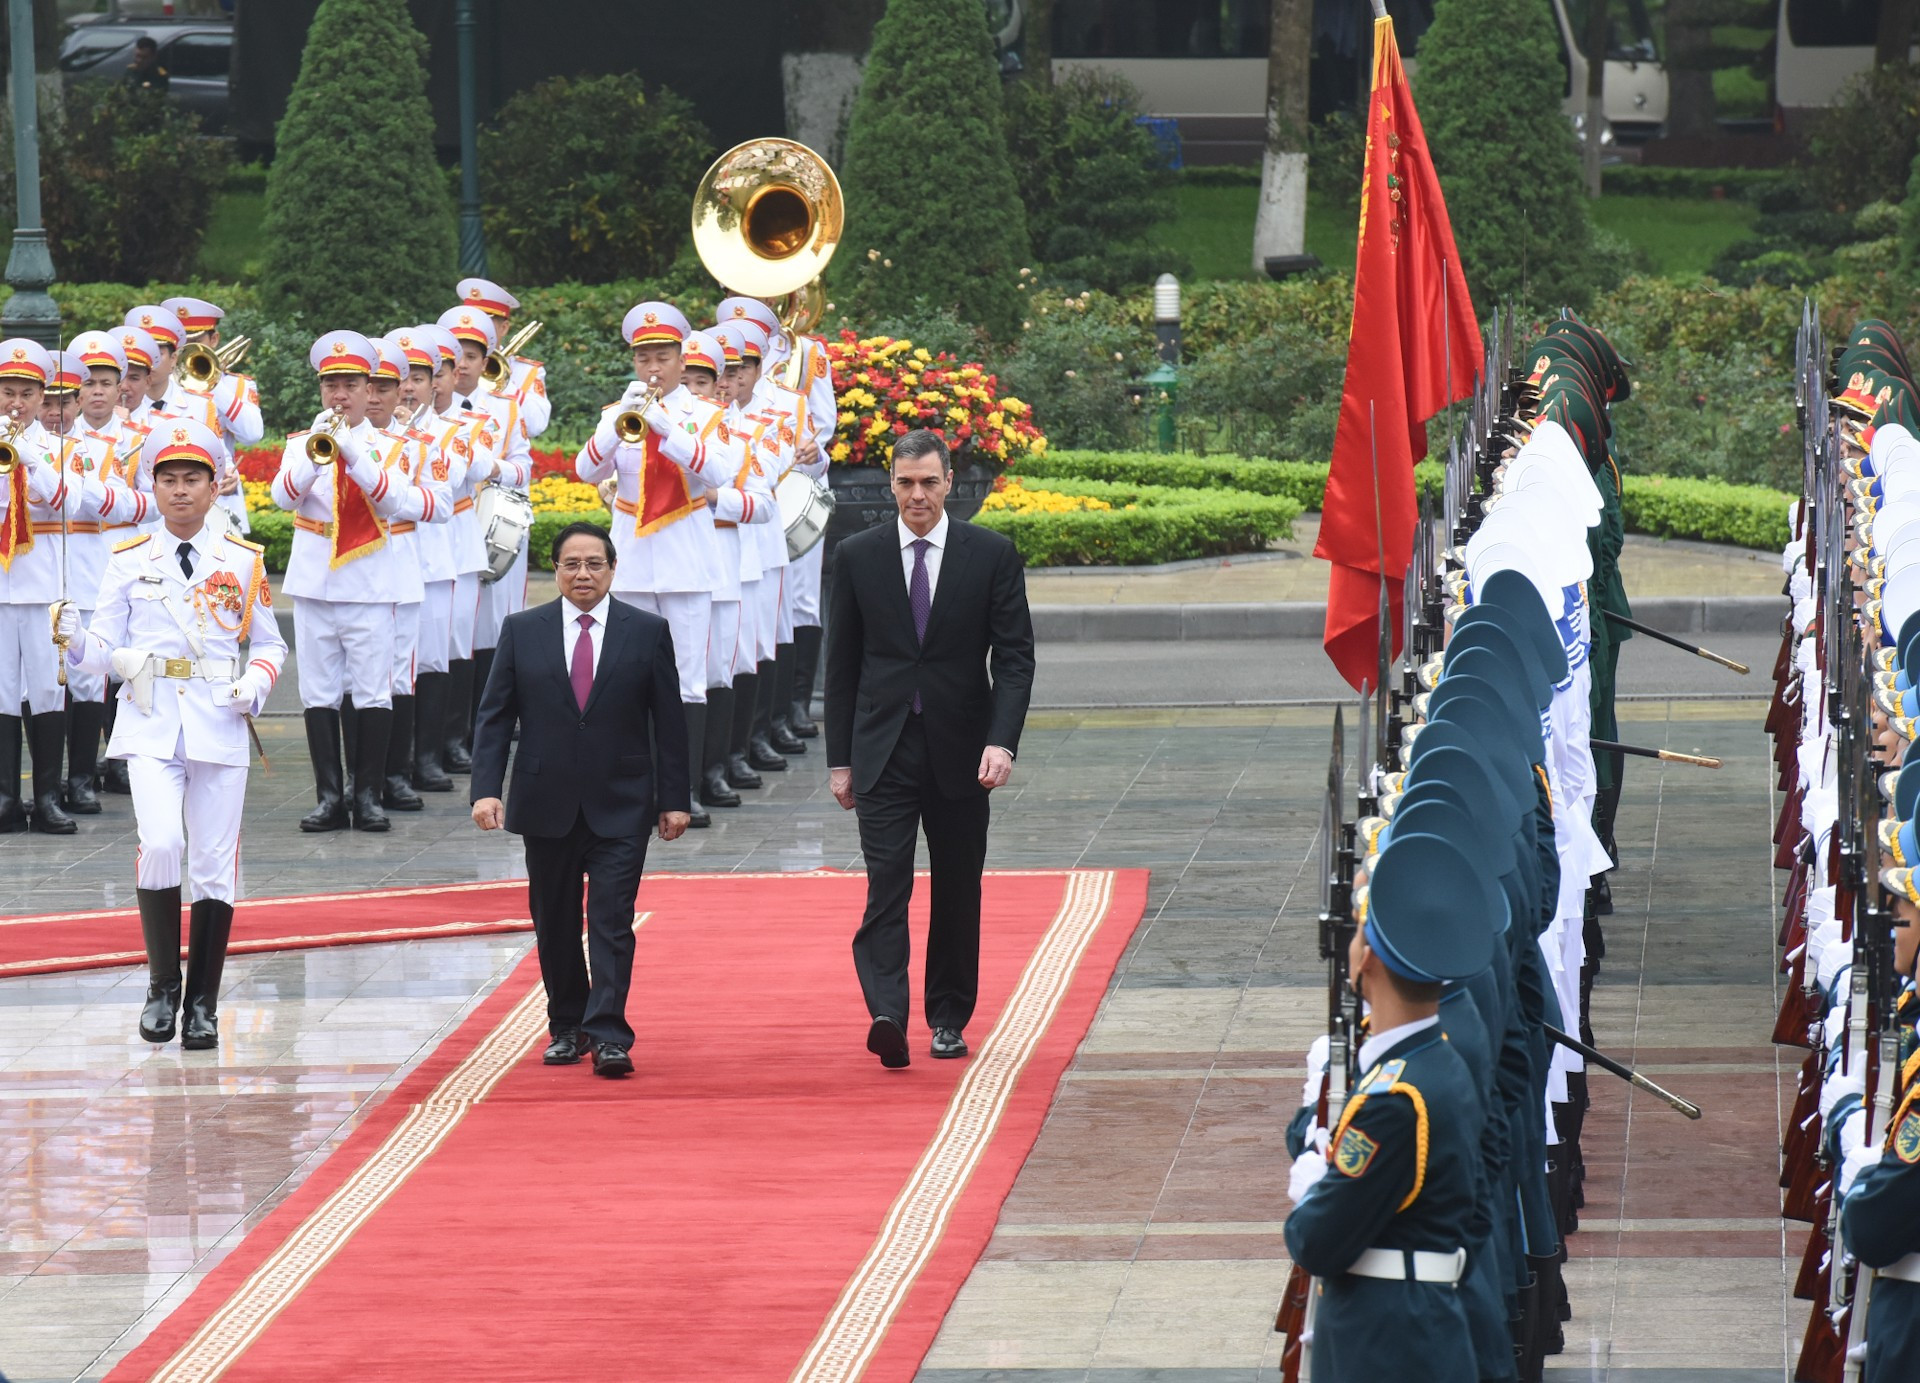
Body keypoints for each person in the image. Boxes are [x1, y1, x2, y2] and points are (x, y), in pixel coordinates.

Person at [55, 417, 285, 1048]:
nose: (180, 491)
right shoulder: (129, 559)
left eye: (193, 479)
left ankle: (204, 1003)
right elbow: (101, 648)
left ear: (216, 489)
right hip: (151, 719)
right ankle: (163, 985)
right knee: (160, 844)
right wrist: (76, 638)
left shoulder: (241, 560)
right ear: (153, 488)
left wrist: (256, 685)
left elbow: (269, 644)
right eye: (169, 480)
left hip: (218, 720)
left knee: (213, 865)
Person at [825, 428, 1035, 1067]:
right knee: (886, 885)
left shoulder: (992, 554)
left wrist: (1003, 742)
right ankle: (888, 1011)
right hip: (882, 749)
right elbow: (842, 664)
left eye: (929, 482)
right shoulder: (858, 555)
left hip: (963, 750)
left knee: (956, 888)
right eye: (905, 482)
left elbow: (1016, 658)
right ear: (890, 484)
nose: (917, 495)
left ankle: (947, 1017)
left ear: (950, 484)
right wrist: (840, 759)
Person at [470, 521, 692, 1078]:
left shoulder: (646, 631)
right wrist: (484, 790)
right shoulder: (523, 630)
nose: (583, 574)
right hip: (546, 802)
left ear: (613, 569)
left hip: (623, 801)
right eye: (572, 564)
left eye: (594, 563)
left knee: (612, 920)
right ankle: (567, 1026)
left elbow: (669, 722)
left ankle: (609, 1033)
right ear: (557, 571)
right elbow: (495, 717)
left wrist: (675, 799)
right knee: (556, 921)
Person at [1283, 831, 1494, 1383]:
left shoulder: (1397, 1099)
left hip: (1387, 1343)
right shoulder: (1434, 1060)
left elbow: (1317, 1241)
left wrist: (1312, 1185)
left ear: (1368, 956)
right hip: (1417, 1325)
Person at [573, 302, 736, 830]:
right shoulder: (617, 413)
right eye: (644, 357)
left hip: (686, 559)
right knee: (626, 678)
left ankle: (681, 790)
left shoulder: (708, 415)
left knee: (686, 680)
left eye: (662, 357)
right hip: (634, 563)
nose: (652, 368)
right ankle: (630, 786)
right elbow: (584, 468)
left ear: (680, 357)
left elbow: (719, 471)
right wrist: (619, 424)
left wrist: (667, 426)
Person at [271, 332, 430, 833]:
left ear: (369, 390)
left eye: (350, 385)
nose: (339, 395)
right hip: (317, 581)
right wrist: (315, 456)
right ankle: (328, 796)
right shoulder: (303, 442)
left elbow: (393, 501)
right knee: (318, 691)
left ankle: (369, 795)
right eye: (331, 385)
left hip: (370, 582)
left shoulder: (394, 445)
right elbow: (282, 497)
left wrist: (352, 453)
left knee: (372, 691)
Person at [0, 339, 84, 833]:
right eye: (7, 392)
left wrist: (29, 456)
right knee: (4, 692)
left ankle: (48, 796)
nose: (16, 403)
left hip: (43, 585)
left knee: (49, 691)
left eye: (26, 394)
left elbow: (68, 504)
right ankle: (7, 799)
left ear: (41, 396)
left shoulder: (58, 447)